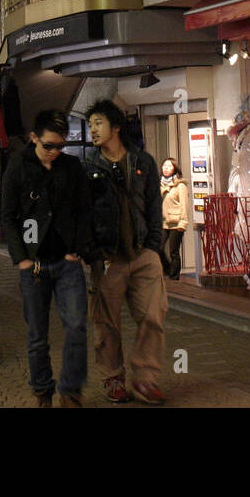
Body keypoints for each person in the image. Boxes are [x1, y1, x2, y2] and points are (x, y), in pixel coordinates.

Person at [1, 109, 92, 407]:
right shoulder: (18, 166)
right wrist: (21, 258)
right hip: (34, 263)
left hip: (67, 263)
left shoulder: (71, 166)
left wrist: (76, 249)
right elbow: (8, 215)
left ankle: (71, 390)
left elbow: (83, 210)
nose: (54, 152)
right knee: (38, 334)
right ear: (33, 138)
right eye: (48, 145)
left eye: (60, 146)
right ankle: (43, 390)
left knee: (77, 326)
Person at [84, 99, 168, 405]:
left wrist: (154, 247)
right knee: (106, 323)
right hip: (107, 259)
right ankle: (113, 378)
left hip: (144, 254)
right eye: (90, 123)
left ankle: (145, 378)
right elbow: (83, 214)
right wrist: (92, 252)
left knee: (153, 316)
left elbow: (154, 207)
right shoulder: (88, 167)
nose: (92, 129)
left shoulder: (143, 162)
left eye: (98, 123)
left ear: (116, 127)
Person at [159, 158, 189, 280]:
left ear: (175, 169)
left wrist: (183, 222)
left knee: (173, 251)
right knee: (157, 248)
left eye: (169, 166)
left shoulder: (180, 186)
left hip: (176, 223)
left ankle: (174, 276)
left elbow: (184, 205)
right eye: (164, 166)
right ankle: (167, 269)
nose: (166, 168)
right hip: (163, 222)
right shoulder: (159, 185)